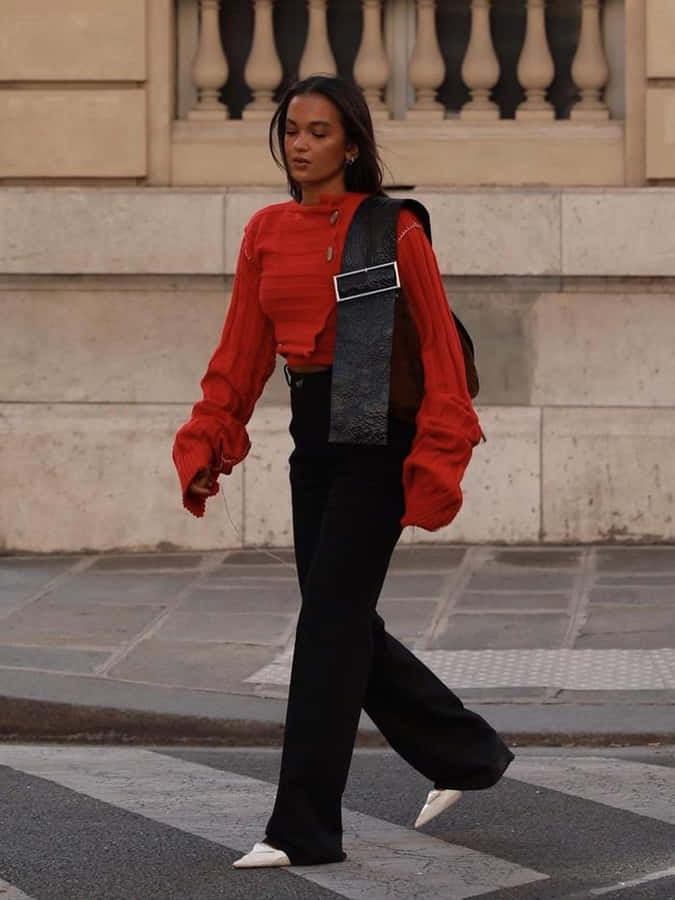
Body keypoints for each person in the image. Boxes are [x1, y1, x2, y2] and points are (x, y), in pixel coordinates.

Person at [172, 74, 514, 870]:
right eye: (291, 129)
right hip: (313, 439)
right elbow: (241, 351)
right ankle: (465, 753)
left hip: (380, 442)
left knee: (326, 628)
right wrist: (209, 438)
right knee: (345, 620)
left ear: (351, 145)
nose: (299, 143)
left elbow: (437, 351)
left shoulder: (391, 230)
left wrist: (437, 456)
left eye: (319, 131)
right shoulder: (263, 230)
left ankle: (302, 829)